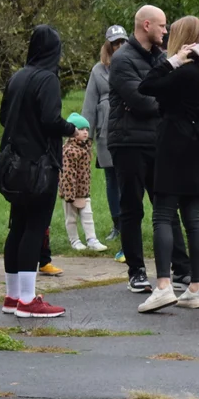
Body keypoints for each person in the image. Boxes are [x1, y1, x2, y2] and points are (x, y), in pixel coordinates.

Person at [0, 25, 86, 318]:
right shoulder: (47, 79)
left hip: (13, 164)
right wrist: (71, 129)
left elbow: (2, 117)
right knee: (35, 228)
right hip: (41, 165)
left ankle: (12, 296)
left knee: (18, 226)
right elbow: (50, 120)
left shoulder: (17, 77)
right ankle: (27, 299)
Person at [135, 16, 199, 313]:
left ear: (183, 40)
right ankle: (195, 287)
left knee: (163, 216)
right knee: (193, 218)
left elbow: (146, 85)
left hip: (173, 145)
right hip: (198, 147)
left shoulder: (184, 71)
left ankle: (162, 286)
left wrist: (172, 61)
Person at [109, 5, 192, 294]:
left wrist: (163, 97)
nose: (166, 31)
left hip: (159, 141)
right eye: (162, 26)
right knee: (132, 208)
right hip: (128, 142)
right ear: (146, 25)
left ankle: (182, 270)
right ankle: (137, 271)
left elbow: (173, 95)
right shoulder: (122, 59)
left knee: (168, 207)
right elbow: (142, 99)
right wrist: (164, 100)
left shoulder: (162, 58)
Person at [82, 25, 127, 248]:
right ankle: (117, 223)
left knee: (129, 177)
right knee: (112, 178)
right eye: (115, 43)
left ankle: (131, 221)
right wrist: (84, 136)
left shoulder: (132, 64)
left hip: (129, 130)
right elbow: (89, 105)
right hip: (105, 133)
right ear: (108, 46)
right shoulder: (98, 71)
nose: (119, 47)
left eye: (122, 42)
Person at [58, 112, 108, 252]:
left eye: (86, 129)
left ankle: (92, 239)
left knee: (88, 215)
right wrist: (69, 195)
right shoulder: (68, 151)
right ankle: (74, 240)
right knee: (71, 218)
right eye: (81, 129)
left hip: (83, 191)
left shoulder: (85, 148)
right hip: (70, 192)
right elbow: (66, 173)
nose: (85, 132)